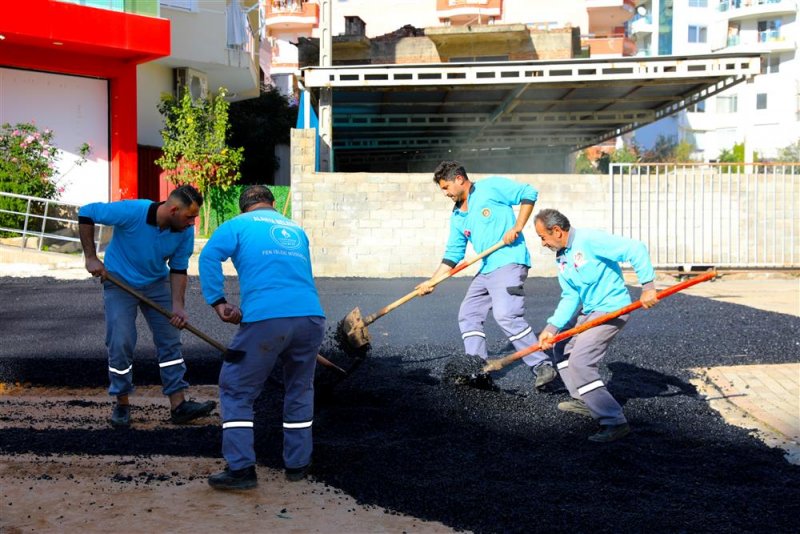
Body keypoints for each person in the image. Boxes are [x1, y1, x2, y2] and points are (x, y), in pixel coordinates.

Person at [199, 185, 326, 491]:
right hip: (311, 317)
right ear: (271, 203)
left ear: (244, 208)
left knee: (236, 389)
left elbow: (208, 257)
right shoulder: (296, 230)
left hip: (267, 319)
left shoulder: (237, 225)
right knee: (299, 389)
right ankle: (297, 465)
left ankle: (241, 469)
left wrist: (218, 301)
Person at [78, 185, 216, 429]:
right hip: (119, 282)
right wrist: (90, 257)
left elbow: (178, 268)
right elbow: (87, 212)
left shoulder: (183, 232)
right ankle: (122, 402)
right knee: (120, 340)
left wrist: (178, 306)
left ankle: (178, 405)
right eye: (189, 216)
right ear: (173, 210)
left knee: (170, 339)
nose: (192, 222)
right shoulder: (133, 211)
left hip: (156, 283)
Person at [417, 161, 556, 390]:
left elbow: (529, 192)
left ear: (459, 179)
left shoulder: (490, 188)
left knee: (506, 315)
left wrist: (518, 226)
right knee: (468, 313)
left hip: (509, 261)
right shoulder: (458, 216)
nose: (445, 193)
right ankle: (476, 370)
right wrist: (433, 282)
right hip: (487, 268)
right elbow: (453, 254)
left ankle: (542, 365)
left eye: (446, 187)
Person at [533, 208, 658, 443]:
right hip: (590, 311)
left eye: (543, 237)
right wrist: (552, 328)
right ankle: (583, 400)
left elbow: (635, 248)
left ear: (557, 231)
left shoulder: (589, 240)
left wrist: (648, 286)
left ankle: (614, 421)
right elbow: (571, 296)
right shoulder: (562, 257)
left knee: (581, 362)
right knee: (560, 348)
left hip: (612, 309)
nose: (543, 243)